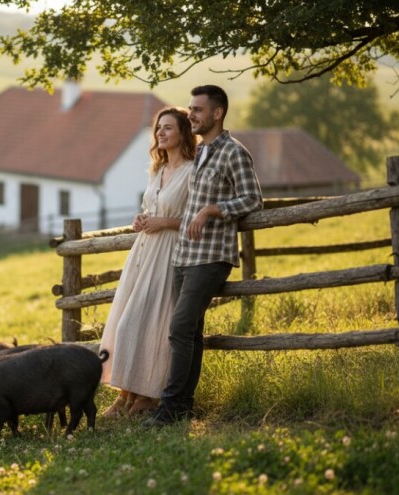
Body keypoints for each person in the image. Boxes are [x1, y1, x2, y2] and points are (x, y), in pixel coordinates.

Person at [144, 85, 263, 427]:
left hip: (211, 256)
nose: (191, 114)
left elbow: (253, 199)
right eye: (191, 108)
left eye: (197, 110)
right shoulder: (204, 152)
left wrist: (214, 209)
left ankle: (169, 408)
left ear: (217, 113)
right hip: (184, 254)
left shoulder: (233, 152)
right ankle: (182, 407)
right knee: (191, 332)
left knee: (179, 327)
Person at [99, 106, 197, 417]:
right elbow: (149, 208)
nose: (161, 133)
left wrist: (164, 222)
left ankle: (148, 395)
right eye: (158, 128)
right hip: (143, 251)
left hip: (170, 253)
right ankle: (126, 393)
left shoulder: (192, 172)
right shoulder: (157, 170)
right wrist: (142, 219)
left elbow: (196, 220)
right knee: (126, 323)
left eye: (168, 128)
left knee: (152, 324)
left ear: (183, 132)